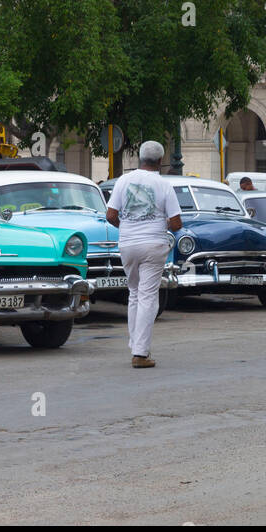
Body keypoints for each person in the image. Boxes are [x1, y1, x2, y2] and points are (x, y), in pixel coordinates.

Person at [106, 141, 182, 368]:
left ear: (140, 158)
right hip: (153, 244)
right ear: (160, 160)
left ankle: (135, 345)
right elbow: (177, 222)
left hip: (127, 244)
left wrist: (129, 227)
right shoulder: (164, 184)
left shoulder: (123, 180)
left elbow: (111, 215)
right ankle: (140, 353)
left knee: (134, 294)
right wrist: (159, 225)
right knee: (148, 296)